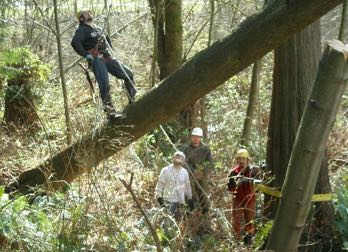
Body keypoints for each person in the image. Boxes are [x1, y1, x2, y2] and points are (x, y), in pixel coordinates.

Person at [71, 9, 137, 118]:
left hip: (107, 57)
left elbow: (107, 41)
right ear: (81, 18)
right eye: (86, 14)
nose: (89, 14)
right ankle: (110, 113)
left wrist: (110, 50)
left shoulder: (98, 28)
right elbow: (75, 42)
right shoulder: (82, 30)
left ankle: (131, 99)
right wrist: (86, 55)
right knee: (104, 85)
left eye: (90, 12)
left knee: (128, 74)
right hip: (96, 59)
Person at [182, 127, 213, 234]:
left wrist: (202, 171)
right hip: (189, 175)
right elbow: (184, 162)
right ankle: (189, 212)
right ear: (191, 137)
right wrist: (191, 171)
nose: (196, 139)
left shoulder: (206, 149)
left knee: (204, 194)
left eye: (198, 137)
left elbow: (209, 163)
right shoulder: (186, 149)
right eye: (194, 137)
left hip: (202, 175)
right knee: (189, 193)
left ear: (200, 138)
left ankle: (205, 215)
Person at [227, 148, 259, 245]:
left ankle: (248, 242)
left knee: (249, 221)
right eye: (239, 159)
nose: (241, 161)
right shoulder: (233, 172)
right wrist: (237, 183)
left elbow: (258, 185)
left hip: (250, 200)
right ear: (237, 160)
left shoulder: (253, 171)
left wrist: (250, 180)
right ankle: (236, 241)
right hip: (237, 200)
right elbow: (229, 187)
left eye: (243, 159)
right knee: (236, 221)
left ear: (247, 160)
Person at [155, 151, 194, 220]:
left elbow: (187, 187)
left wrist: (190, 199)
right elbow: (160, 184)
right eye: (176, 156)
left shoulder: (185, 172)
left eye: (180, 157)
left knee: (177, 224)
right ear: (173, 158)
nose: (178, 157)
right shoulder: (165, 170)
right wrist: (159, 198)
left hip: (180, 203)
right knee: (166, 223)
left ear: (183, 161)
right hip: (168, 202)